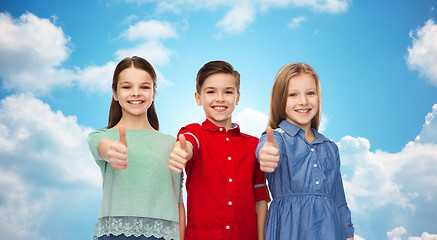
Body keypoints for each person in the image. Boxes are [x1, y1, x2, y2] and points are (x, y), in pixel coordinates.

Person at [168, 60, 270, 240]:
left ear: (237, 98)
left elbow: (260, 199)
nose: (220, 98)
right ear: (198, 98)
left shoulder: (254, 146)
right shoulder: (193, 133)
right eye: (211, 91)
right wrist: (182, 152)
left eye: (228, 92)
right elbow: (188, 145)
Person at [88, 56, 185, 240]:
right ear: (115, 93)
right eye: (127, 87)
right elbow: (103, 147)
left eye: (144, 87)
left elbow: (179, 202)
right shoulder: (102, 136)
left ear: (154, 93)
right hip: (115, 235)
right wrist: (112, 151)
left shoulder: (173, 144)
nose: (136, 93)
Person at [256, 63, 354, 240]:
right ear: (280, 99)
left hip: (331, 232)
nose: (303, 101)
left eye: (310, 93)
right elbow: (265, 150)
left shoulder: (330, 147)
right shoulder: (277, 138)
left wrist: (349, 234)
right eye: (293, 95)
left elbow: (339, 201)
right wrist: (266, 154)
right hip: (288, 231)